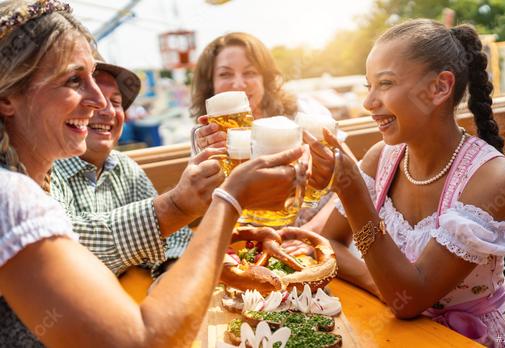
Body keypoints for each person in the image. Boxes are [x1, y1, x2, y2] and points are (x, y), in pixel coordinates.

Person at [0, 1, 305, 346]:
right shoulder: (10, 195)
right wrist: (228, 200)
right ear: (8, 96)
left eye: (113, 96)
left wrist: (214, 243)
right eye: (74, 79)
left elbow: (86, 244)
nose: (101, 102)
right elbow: (142, 341)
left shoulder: (40, 181)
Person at [303, 19, 505, 346]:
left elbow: (411, 300)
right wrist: (384, 287)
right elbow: (329, 244)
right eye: (367, 86)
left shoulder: (493, 179)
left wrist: (352, 191)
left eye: (385, 84)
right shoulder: (380, 158)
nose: (369, 103)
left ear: (440, 88)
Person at [51, 62, 223, 277]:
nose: (106, 111)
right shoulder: (44, 168)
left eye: (115, 101)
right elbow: (63, 250)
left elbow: (174, 236)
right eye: (88, 99)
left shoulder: (124, 167)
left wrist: (169, 274)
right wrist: (176, 206)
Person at [191, 32, 338, 225]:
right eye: (225, 74)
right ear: (210, 84)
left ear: (265, 78)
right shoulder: (206, 137)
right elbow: (208, 210)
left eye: (250, 73)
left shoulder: (303, 111)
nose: (238, 84)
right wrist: (215, 167)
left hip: (321, 230)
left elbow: (354, 180)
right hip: (255, 240)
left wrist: (313, 231)